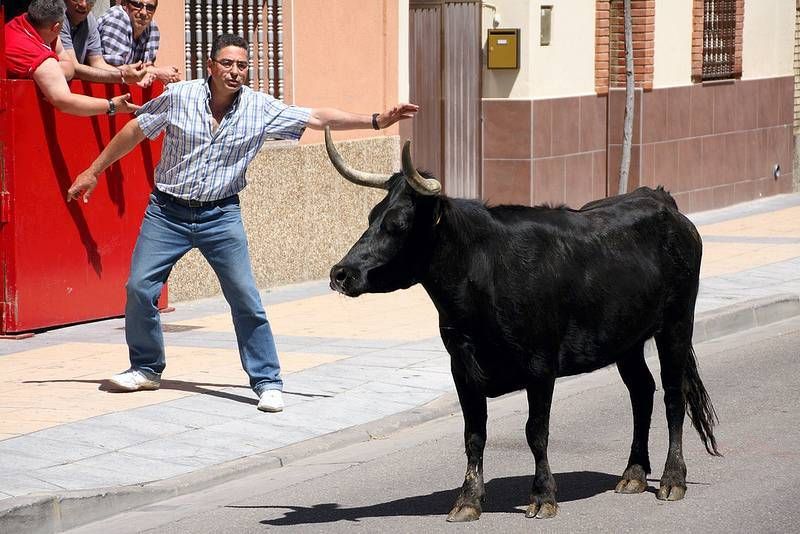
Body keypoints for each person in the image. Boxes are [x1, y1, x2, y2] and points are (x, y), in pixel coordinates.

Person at [66, 33, 418, 413]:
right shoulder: (179, 96)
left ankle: (267, 381)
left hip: (221, 216)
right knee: (138, 287)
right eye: (228, 64)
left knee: (245, 298)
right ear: (211, 66)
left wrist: (377, 120)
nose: (235, 71)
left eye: (242, 65)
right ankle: (146, 368)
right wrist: (93, 170)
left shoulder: (259, 107)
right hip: (167, 211)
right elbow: (135, 130)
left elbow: (317, 117)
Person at [4, 0, 139, 116]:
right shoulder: (41, 59)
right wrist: (111, 105)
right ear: (56, 27)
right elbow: (64, 102)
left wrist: (58, 71)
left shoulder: (22, 22)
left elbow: (69, 66)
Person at [59, 0, 149, 85]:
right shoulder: (58, 17)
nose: (83, 4)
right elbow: (74, 68)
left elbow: (97, 63)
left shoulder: (89, 19)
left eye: (90, 0)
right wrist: (121, 76)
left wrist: (131, 75)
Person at [97, 0, 180, 86]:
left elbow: (146, 67)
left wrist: (166, 75)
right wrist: (157, 72)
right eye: (137, 5)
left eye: (150, 8)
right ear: (125, 4)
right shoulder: (117, 18)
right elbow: (111, 69)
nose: (144, 13)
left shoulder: (151, 28)